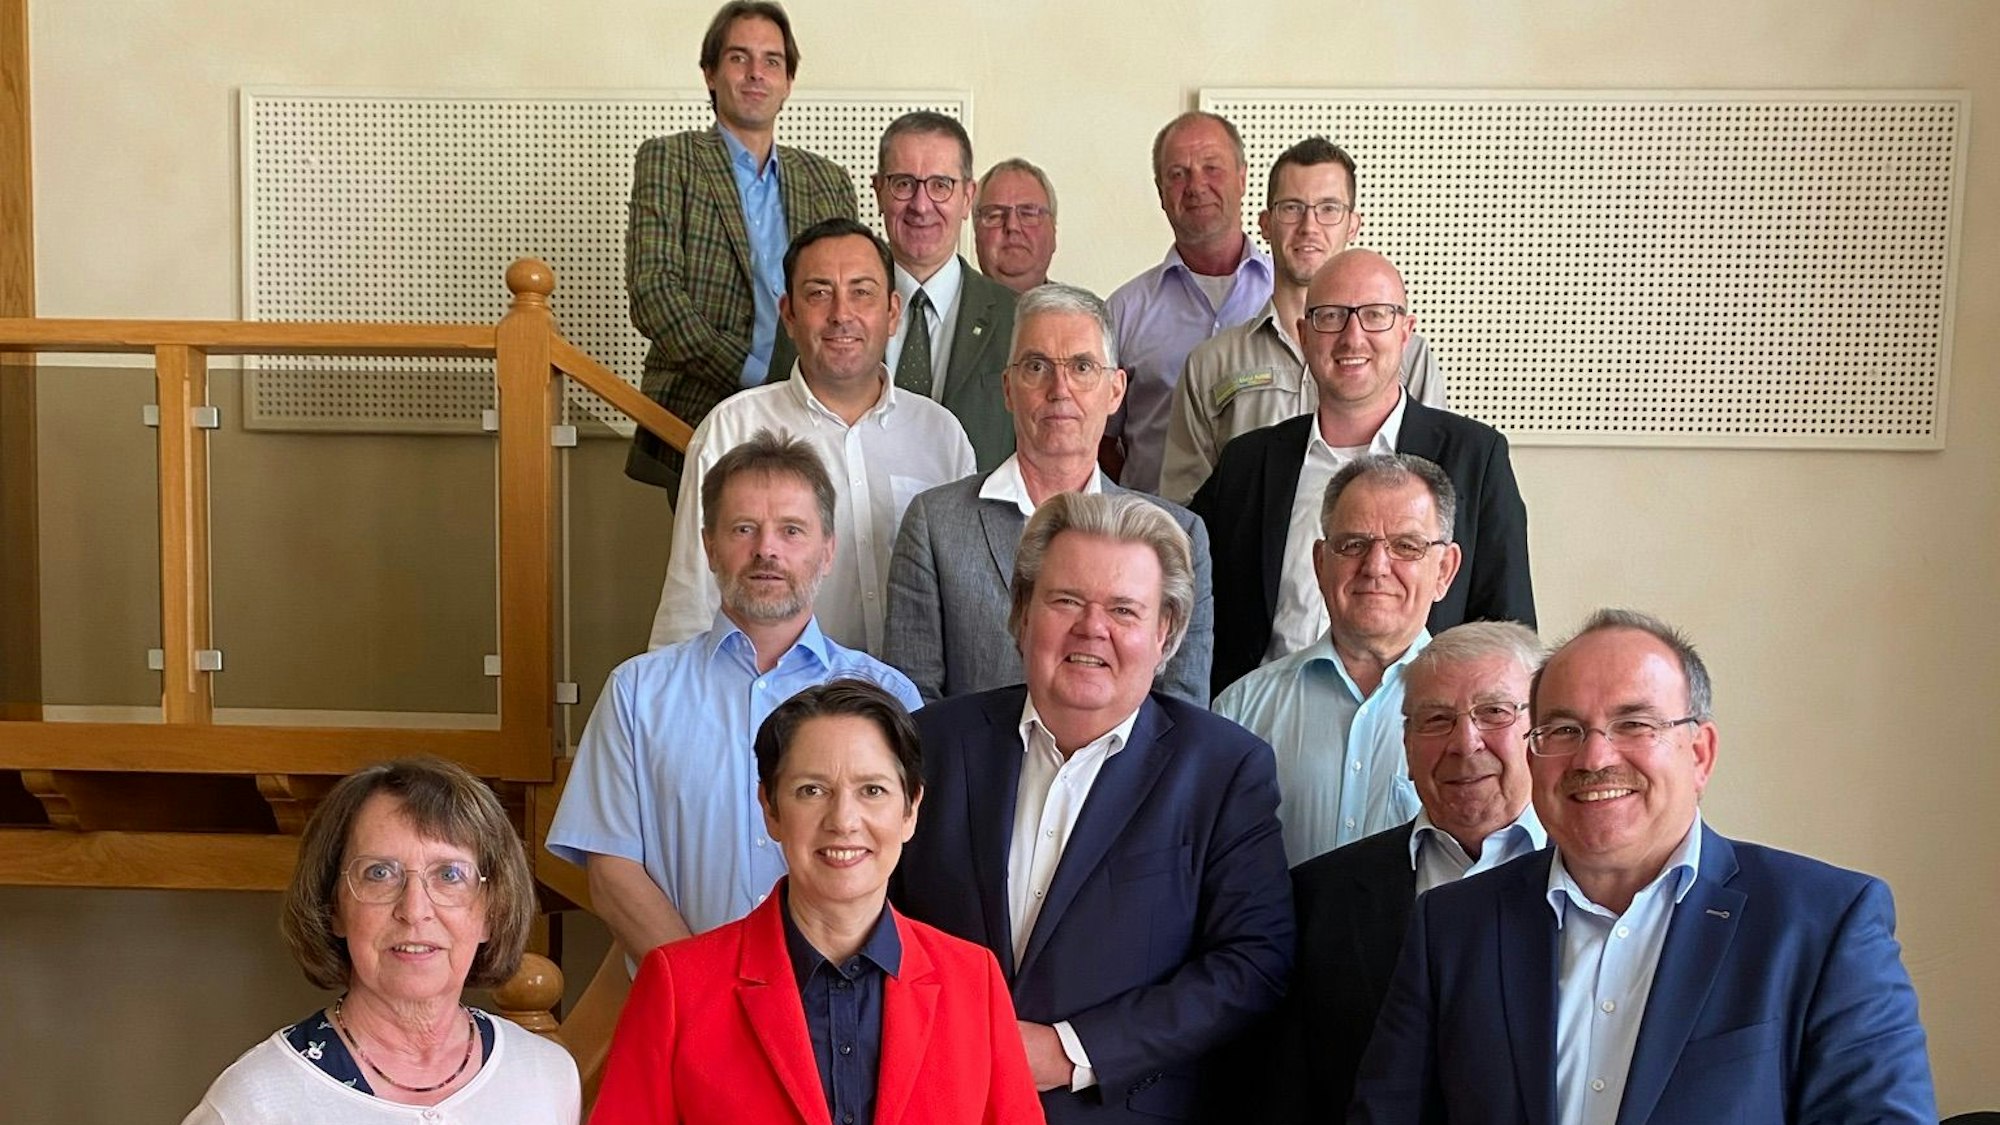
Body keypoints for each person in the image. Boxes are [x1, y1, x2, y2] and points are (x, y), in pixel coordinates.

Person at [1350, 610, 1937, 1125]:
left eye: (1635, 724)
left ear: (1699, 753)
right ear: (1535, 754)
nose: (1595, 757)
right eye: (1564, 730)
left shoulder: (1823, 924)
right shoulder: (1452, 928)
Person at [894, 492, 1292, 1124]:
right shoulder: (931, 744)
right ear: (1022, 613)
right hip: (935, 1100)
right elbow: (874, 918)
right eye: (1066, 600)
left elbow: (1251, 964)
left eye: (1123, 610)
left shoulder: (1223, 770)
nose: (1092, 628)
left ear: (1164, 633)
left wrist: (1068, 1052)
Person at [592, 679, 1044, 1124]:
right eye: (812, 790)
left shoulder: (974, 982)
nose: (844, 821)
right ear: (770, 809)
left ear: (910, 810)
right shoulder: (678, 986)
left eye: (872, 790)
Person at [550, 432, 921, 966]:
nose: (767, 549)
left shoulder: (889, 697)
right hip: (690, 1024)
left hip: (847, 1019)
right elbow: (613, 873)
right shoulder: (637, 694)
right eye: (744, 528)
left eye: (791, 530)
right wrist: (706, 997)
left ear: (828, 549)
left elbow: (910, 869)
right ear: (708, 545)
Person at [1192, 248, 1534, 696]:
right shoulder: (1247, 464)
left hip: (1418, 737)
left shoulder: (1476, 457)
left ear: (1406, 332)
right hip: (1261, 731)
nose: (1353, 337)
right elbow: (1194, 608)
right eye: (1331, 316)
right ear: (1303, 334)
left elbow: (1509, 632)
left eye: (1375, 315)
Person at [182, 757, 579, 1124]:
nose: (414, 909)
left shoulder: (546, 1077)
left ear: (491, 913)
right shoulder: (254, 1104)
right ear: (332, 906)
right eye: (379, 873)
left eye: (449, 875)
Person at [645, 219, 975, 655]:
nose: (841, 314)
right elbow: (690, 603)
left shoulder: (941, 435)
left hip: (908, 704)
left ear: (892, 312)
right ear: (789, 314)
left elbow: (963, 594)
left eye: (861, 292)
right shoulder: (733, 430)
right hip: (770, 704)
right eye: (819, 293)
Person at [1268, 621, 1546, 1124]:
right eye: (1436, 719)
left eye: (1494, 713)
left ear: (1542, 730)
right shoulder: (1319, 897)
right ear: (1407, 746)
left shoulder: (1604, 886)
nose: (1465, 742)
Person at [884, 283, 1214, 705]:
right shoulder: (936, 524)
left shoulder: (1177, 537)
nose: (1060, 389)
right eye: (1037, 367)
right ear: (1007, 388)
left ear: (1116, 390)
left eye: (1081, 367)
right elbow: (912, 706)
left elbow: (1180, 719)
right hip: (973, 770)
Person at [624, 1, 860, 489]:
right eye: (738, 58)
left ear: (788, 81)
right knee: (720, 563)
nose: (756, 73)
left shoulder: (827, 181)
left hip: (815, 411)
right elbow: (655, 295)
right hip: (702, 410)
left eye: (772, 61)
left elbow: (850, 297)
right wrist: (755, 376)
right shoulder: (670, 160)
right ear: (710, 74)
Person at [1159, 137, 1445, 505]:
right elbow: (1185, 512)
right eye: (1292, 208)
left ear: (1353, 224)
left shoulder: (1409, 357)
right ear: (1265, 223)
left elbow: (1435, 491)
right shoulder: (1212, 364)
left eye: (1328, 209)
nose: (1309, 226)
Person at [1214, 454, 1461, 864]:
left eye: (1406, 546)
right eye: (1353, 544)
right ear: (1320, 563)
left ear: (1445, 571)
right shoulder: (1241, 712)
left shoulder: (1485, 722)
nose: (1376, 567)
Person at [1104, 111, 1272, 493]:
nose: (1196, 185)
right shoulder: (1123, 312)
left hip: (1264, 538)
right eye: (1178, 174)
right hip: (1156, 536)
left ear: (1243, 177)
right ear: (1161, 191)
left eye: (1212, 168)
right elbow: (1099, 441)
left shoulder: (1288, 298)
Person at [876, 111, 1018, 472]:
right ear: (878, 191)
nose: (921, 206)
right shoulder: (827, 312)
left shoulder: (1016, 319)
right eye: (904, 184)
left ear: (968, 197)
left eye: (941, 185)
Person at [974, 158, 1059, 294]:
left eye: (1028, 214)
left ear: (1054, 233)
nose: (1012, 226)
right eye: (995, 215)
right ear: (976, 233)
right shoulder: (946, 312)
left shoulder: (1086, 314)